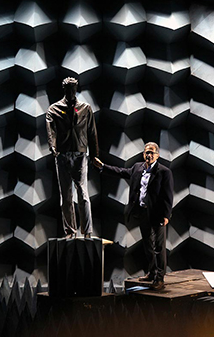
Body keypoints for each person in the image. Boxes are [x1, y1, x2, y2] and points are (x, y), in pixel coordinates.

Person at [93, 142, 174, 290]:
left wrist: (166, 214)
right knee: (148, 244)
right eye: (146, 152)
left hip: (157, 214)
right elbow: (121, 171)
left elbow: (168, 195)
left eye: (151, 153)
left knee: (159, 247)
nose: (148, 155)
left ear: (157, 155)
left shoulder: (164, 172)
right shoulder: (138, 167)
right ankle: (151, 272)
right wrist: (103, 167)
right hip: (142, 213)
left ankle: (160, 278)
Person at [46, 77, 100, 239]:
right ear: (64, 89)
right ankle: (70, 231)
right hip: (62, 155)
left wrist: (95, 155)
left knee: (83, 194)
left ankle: (87, 231)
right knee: (66, 196)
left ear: (76, 88)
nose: (71, 91)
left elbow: (92, 132)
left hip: (80, 155)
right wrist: (52, 146)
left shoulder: (85, 108)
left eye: (73, 88)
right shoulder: (54, 109)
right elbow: (50, 129)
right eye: (68, 88)